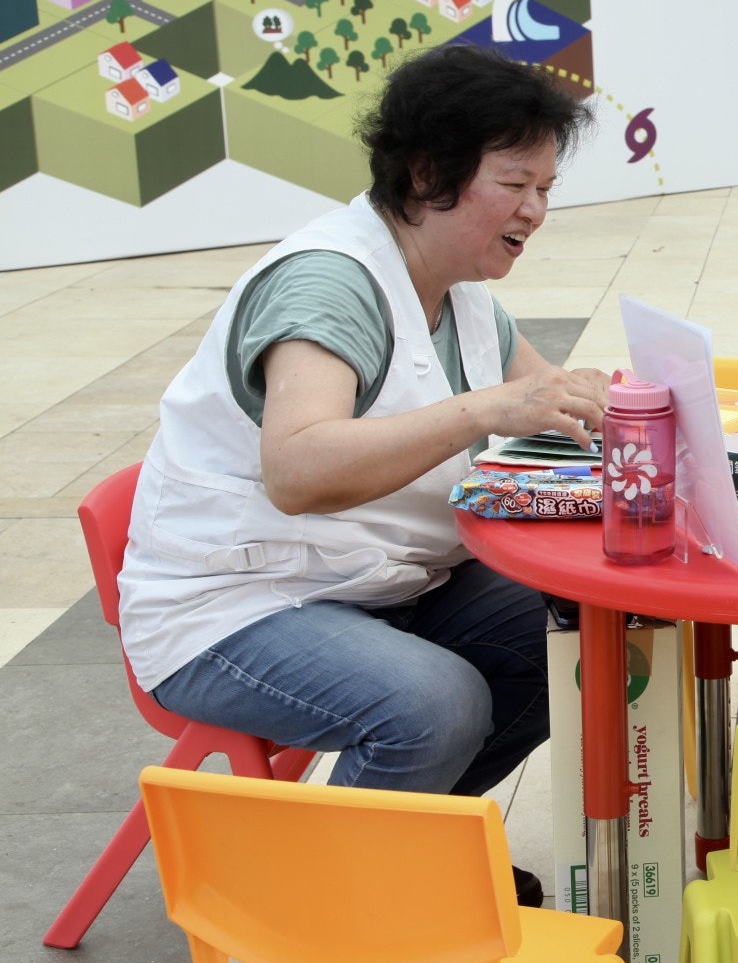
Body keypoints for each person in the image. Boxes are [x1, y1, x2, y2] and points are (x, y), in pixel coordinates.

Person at [117, 45, 605, 907]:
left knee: (574, 637)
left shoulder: (460, 289)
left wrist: (616, 408)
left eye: (546, 188)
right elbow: (298, 470)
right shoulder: (329, 285)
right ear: (426, 174)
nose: (535, 210)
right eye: (514, 184)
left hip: (371, 581)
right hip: (236, 604)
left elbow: (551, 405)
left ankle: (407, 846)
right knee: (434, 704)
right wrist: (485, 410)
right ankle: (334, 902)